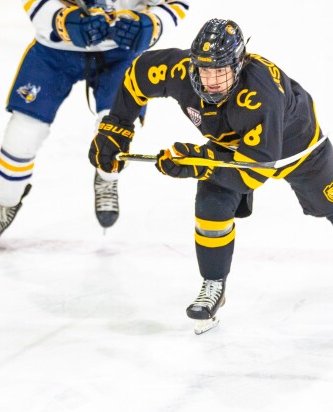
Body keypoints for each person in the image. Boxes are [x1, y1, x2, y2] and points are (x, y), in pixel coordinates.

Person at [88, 18, 333, 332]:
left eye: (221, 71)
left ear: (240, 64)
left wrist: (196, 162)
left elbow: (252, 172)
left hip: (299, 150)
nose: (212, 80)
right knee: (210, 205)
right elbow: (138, 75)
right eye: (205, 70)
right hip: (234, 148)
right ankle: (214, 284)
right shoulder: (179, 72)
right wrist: (117, 127)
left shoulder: (260, 94)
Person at [0, 0, 190, 244]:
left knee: (116, 131)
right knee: (22, 133)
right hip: (54, 52)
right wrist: (61, 21)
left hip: (120, 53)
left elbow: (176, 3)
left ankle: (107, 179)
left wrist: (153, 24)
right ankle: (6, 201)